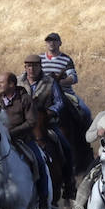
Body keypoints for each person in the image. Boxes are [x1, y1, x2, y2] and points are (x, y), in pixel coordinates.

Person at [0, 72, 49, 209]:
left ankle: (43, 201)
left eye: (2, 82)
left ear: (12, 84)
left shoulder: (25, 99)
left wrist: (11, 132)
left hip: (23, 140)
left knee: (39, 163)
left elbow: (31, 122)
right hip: (2, 141)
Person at [22, 55, 75, 199]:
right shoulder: (19, 83)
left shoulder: (50, 82)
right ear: (25, 67)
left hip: (46, 123)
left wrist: (50, 111)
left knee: (66, 147)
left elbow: (59, 102)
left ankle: (69, 183)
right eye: (29, 66)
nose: (32, 69)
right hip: (24, 125)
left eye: (35, 66)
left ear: (40, 67)